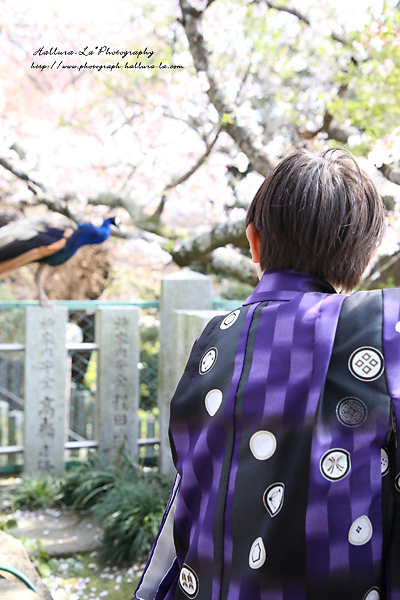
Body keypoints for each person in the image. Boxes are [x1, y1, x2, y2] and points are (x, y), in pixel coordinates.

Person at [135, 148, 400, 600]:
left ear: (252, 242)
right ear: (367, 254)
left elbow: (188, 489)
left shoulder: (212, 340)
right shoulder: (381, 323)